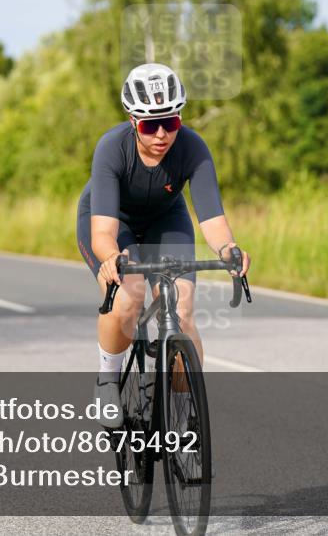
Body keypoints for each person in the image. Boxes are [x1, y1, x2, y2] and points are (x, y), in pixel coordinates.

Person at [76, 63, 250, 427]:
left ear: (180, 119)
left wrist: (229, 250)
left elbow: (212, 219)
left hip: (165, 220)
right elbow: (103, 234)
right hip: (112, 221)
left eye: (169, 123)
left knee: (183, 310)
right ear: (131, 121)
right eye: (149, 124)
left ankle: (186, 414)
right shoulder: (111, 148)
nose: (161, 134)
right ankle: (108, 377)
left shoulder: (193, 148)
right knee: (130, 295)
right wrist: (112, 260)